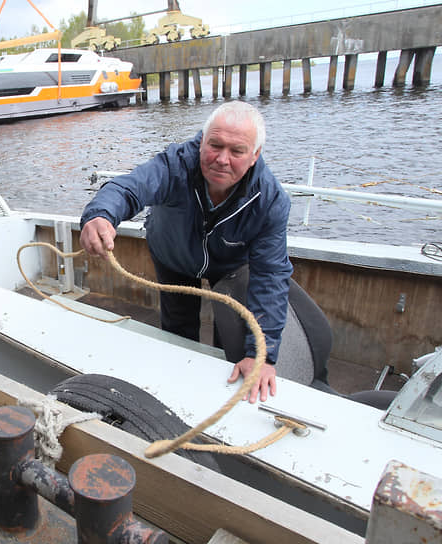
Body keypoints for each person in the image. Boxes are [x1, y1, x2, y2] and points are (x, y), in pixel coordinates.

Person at [79, 101, 292, 404]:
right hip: (173, 256)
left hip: (230, 265)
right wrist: (100, 215)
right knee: (178, 330)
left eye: (237, 151)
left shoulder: (270, 200)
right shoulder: (175, 164)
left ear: (255, 155)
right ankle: (179, 391)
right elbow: (130, 188)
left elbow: (271, 275)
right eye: (214, 145)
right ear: (202, 140)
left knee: (232, 337)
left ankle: (224, 388)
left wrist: (262, 356)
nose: (222, 159)